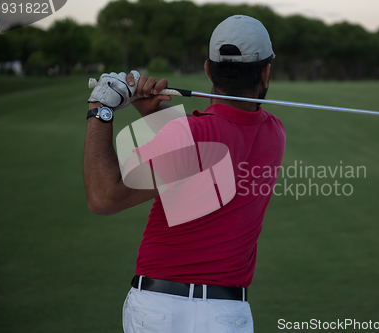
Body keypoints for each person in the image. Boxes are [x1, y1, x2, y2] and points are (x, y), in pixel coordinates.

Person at [83, 15, 286, 333]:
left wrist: (100, 109)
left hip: (158, 311)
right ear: (265, 72)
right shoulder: (275, 133)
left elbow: (104, 197)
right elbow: (203, 153)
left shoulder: (189, 134)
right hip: (227, 315)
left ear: (208, 69)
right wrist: (153, 113)